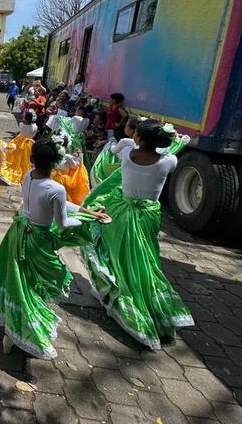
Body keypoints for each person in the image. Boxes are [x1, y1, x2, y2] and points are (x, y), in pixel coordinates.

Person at [0, 138, 108, 358]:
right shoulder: (56, 188)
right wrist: (90, 221)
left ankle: (10, 321)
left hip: (18, 232)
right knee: (36, 282)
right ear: (56, 163)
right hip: (37, 240)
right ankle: (19, 330)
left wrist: (90, 212)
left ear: (33, 159)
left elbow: (60, 204)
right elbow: (63, 223)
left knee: (20, 279)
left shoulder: (29, 175)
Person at [81, 119, 193, 350]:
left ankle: (115, 291)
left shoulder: (127, 155)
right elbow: (170, 152)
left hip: (120, 211)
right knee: (145, 258)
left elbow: (116, 151)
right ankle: (150, 303)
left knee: (117, 254)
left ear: (138, 138)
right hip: (148, 216)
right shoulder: (169, 161)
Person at [90, 115, 138, 188]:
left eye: (126, 127)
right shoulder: (138, 145)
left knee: (107, 148)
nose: (125, 128)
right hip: (130, 174)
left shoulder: (124, 141)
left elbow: (113, 150)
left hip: (119, 169)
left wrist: (112, 142)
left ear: (131, 130)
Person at [0, 110, 38, 186]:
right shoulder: (35, 127)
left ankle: (16, 173)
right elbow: (33, 135)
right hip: (29, 144)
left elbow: (21, 131)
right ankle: (24, 176)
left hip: (19, 142)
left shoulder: (21, 124)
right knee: (26, 160)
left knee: (17, 158)